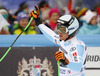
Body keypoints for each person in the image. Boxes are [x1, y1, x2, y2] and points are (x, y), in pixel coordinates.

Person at [30, 6, 87, 76]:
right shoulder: (63, 40)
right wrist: (38, 22)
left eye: (62, 29)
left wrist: (65, 61)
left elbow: (78, 67)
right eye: (58, 28)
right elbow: (51, 35)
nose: (59, 32)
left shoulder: (77, 46)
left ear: (71, 30)